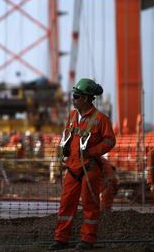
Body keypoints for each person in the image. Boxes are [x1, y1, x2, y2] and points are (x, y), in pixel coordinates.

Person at [50, 78, 116, 250]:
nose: (73, 99)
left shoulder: (101, 119)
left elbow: (110, 141)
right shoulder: (72, 116)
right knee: (66, 204)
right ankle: (61, 239)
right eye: (74, 95)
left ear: (86, 98)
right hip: (72, 168)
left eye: (77, 96)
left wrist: (91, 152)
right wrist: (64, 149)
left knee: (90, 205)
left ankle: (88, 240)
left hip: (89, 169)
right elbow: (67, 134)